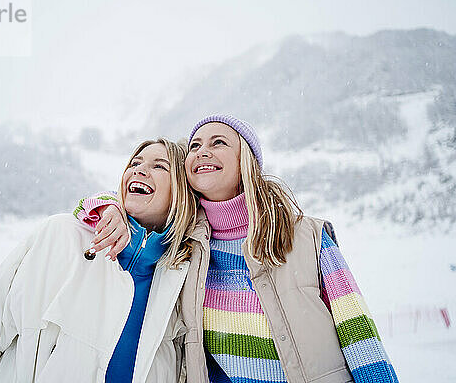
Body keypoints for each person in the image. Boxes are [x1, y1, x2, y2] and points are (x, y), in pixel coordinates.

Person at [81, 115, 399, 383]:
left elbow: (359, 334)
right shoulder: (186, 249)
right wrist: (110, 206)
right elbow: (125, 204)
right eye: (195, 146)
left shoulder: (306, 236)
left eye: (218, 142)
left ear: (244, 160)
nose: (203, 151)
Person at [0, 138, 198, 383]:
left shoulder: (178, 281)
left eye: (159, 166)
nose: (139, 171)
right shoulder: (62, 236)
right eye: (135, 163)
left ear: (181, 192)